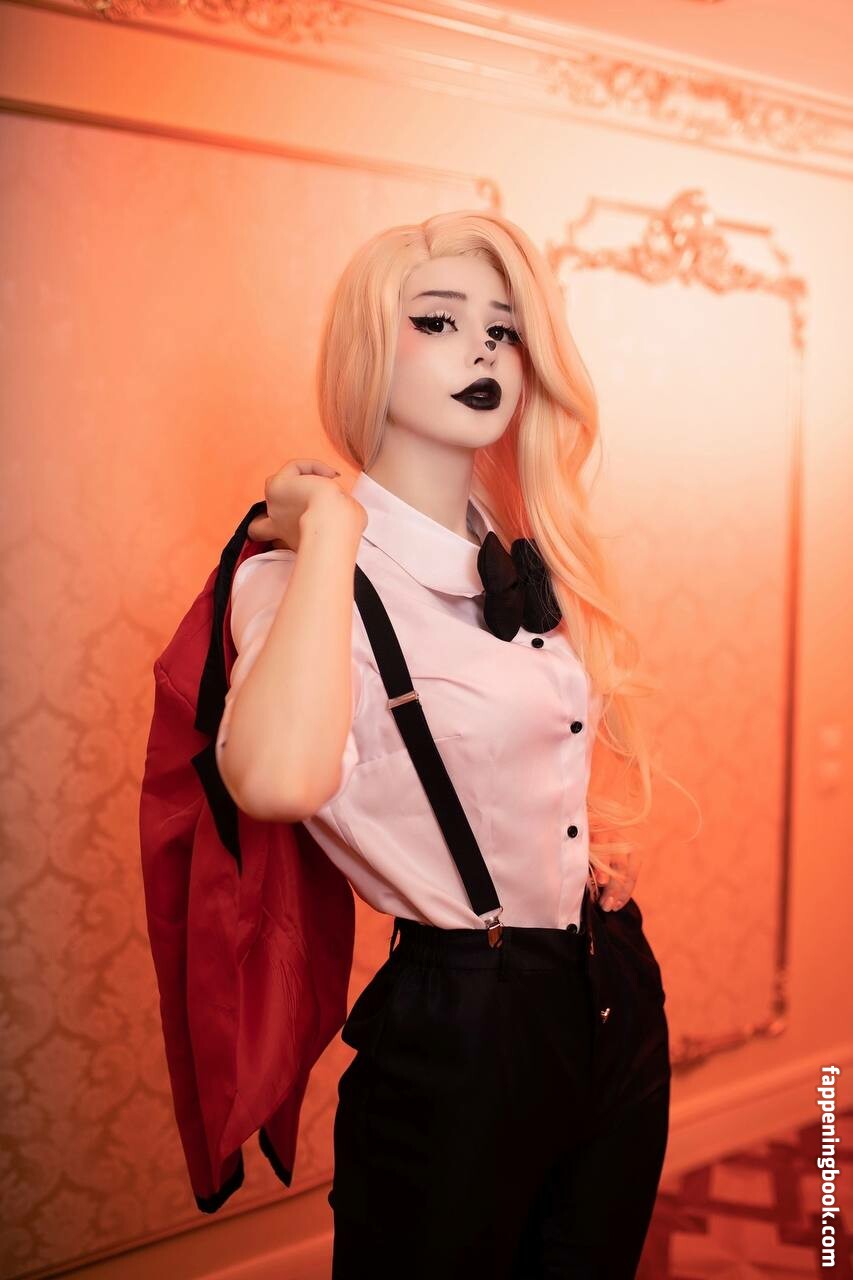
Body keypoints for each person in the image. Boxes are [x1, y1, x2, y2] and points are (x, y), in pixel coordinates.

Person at [215, 210, 674, 1278]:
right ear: (368, 348)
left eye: (504, 330)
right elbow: (276, 781)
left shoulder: (524, 557)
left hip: (612, 985)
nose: (483, 350)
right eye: (438, 320)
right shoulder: (298, 579)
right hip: (465, 1017)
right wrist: (331, 530)